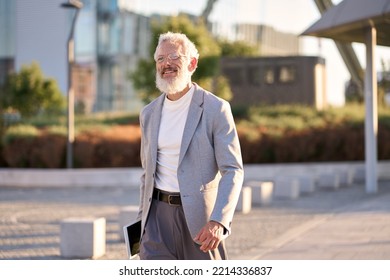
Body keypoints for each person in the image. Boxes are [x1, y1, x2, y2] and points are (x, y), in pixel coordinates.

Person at [136, 31, 244, 260]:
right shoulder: (148, 114)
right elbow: (147, 174)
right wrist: (141, 224)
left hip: (201, 221)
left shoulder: (216, 109)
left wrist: (219, 221)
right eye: (160, 59)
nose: (166, 64)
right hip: (155, 220)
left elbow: (233, 170)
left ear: (192, 63)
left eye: (174, 57)